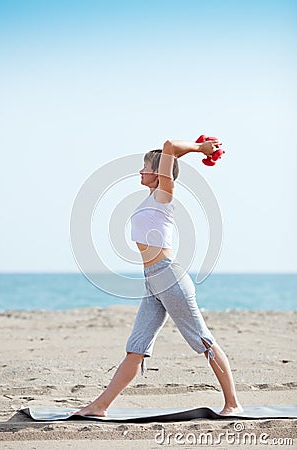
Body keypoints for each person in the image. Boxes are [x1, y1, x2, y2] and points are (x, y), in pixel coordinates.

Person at [75, 139, 243, 417]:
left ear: (159, 173)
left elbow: (169, 146)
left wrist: (200, 150)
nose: (140, 171)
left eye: (145, 167)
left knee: (204, 341)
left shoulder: (164, 194)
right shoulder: (149, 198)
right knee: (136, 347)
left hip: (170, 277)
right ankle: (100, 406)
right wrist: (187, 152)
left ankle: (233, 403)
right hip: (152, 281)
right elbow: (169, 152)